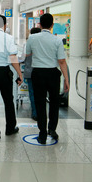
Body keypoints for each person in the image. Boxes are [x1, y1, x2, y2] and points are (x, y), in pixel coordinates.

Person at [26, 13, 69, 144]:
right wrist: (66, 79)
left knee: (40, 103)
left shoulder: (32, 38)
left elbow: (27, 53)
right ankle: (52, 129)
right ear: (52, 25)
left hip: (38, 73)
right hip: (52, 74)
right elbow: (61, 61)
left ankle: (42, 134)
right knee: (54, 103)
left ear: (39, 24)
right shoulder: (56, 40)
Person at [23, 27, 41, 121]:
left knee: (32, 93)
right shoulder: (42, 44)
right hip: (41, 71)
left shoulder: (28, 43)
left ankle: (35, 113)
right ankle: (41, 112)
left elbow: (23, 57)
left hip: (30, 72)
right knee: (41, 93)